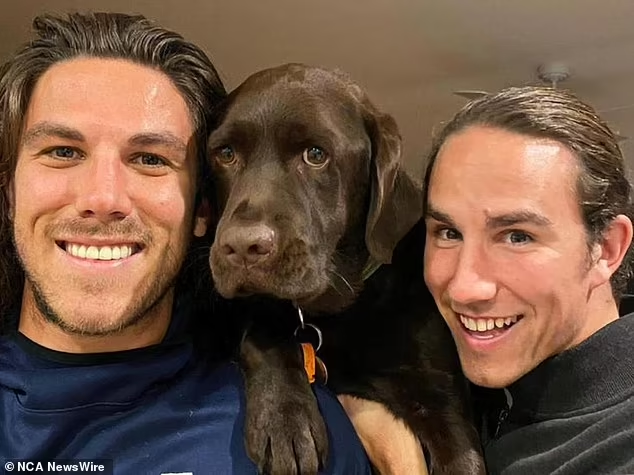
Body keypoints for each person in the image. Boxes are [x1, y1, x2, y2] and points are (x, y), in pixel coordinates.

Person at [0, 11, 372, 474]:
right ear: (9, 192)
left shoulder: (311, 436)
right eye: (63, 152)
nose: (102, 198)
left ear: (203, 210)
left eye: (150, 159)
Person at [341, 86, 634, 474]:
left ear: (607, 249)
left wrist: (402, 464)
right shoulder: (478, 385)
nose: (464, 287)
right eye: (448, 233)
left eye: (517, 236)